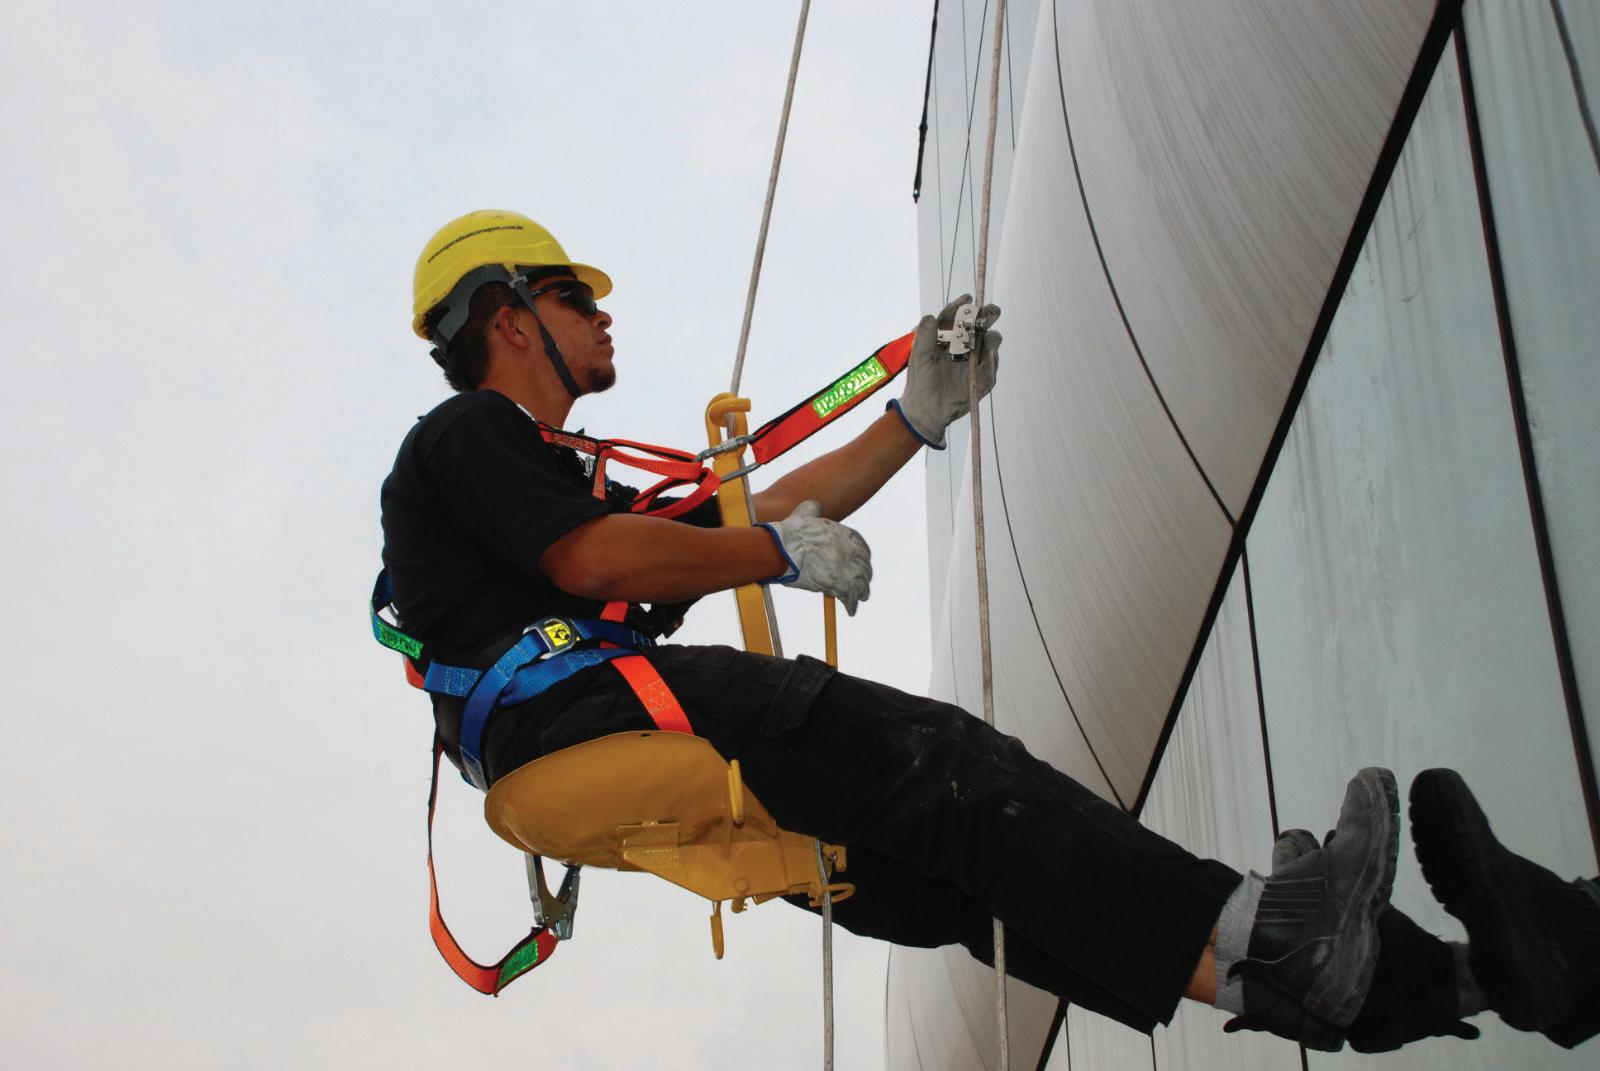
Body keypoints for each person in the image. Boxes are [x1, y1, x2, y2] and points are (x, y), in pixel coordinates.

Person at [378, 209, 1598, 1051]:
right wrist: (769, 557)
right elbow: (606, 557)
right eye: (573, 297)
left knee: (972, 883)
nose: (602, 317)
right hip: (588, 713)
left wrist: (913, 418)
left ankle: (1437, 983)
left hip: (585, 743)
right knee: (946, 767)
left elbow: (748, 512)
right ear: (508, 315)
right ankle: (1277, 929)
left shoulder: (544, 480)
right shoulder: (470, 438)